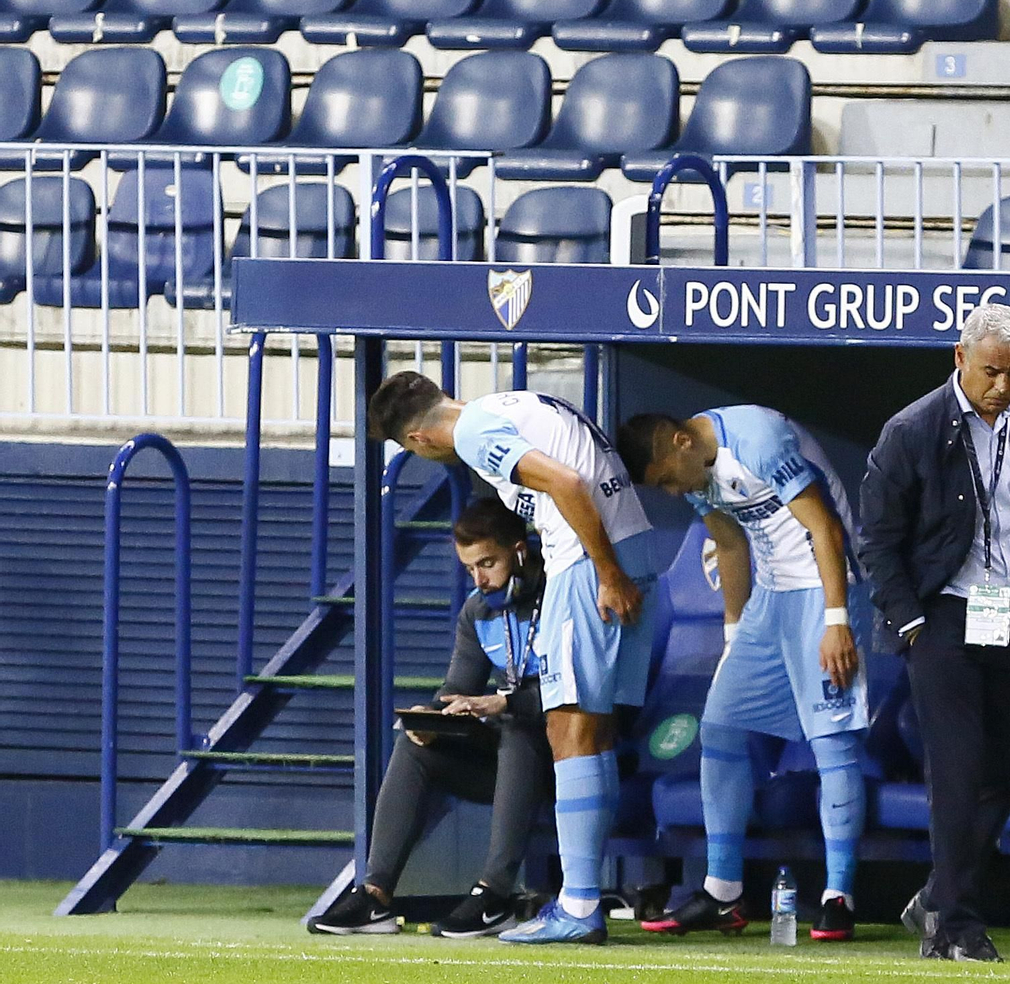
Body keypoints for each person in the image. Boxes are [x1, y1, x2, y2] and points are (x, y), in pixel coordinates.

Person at [367, 374, 658, 946]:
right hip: (629, 543)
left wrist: (605, 572)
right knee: (590, 729)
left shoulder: (475, 431)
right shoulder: (509, 407)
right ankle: (582, 900)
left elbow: (569, 483)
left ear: (421, 439)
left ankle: (577, 906)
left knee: (567, 725)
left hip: (589, 561)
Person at [858, 303, 1010, 962]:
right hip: (942, 614)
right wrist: (913, 621)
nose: (1004, 386)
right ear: (959, 356)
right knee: (956, 770)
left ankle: (937, 895)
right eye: (992, 371)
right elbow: (877, 541)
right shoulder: (912, 430)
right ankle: (957, 924)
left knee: (1005, 773)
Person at [618, 406, 870, 941]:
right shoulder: (696, 472)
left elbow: (824, 527)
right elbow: (729, 543)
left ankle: (838, 895)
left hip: (829, 590)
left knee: (832, 741)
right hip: (770, 602)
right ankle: (723, 891)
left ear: (682, 442)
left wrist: (836, 620)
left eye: (665, 479)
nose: (668, 492)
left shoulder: (758, 438)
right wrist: (734, 636)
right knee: (720, 728)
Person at [308, 498, 554, 939]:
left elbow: (579, 692)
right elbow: (456, 687)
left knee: (517, 727)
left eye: (488, 563)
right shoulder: (478, 612)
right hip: (508, 758)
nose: (479, 579)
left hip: (565, 757)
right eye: (469, 569)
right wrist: (433, 716)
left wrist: (505, 704)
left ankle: (494, 897)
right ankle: (375, 895)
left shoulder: (559, 596)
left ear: (519, 552)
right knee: (415, 743)